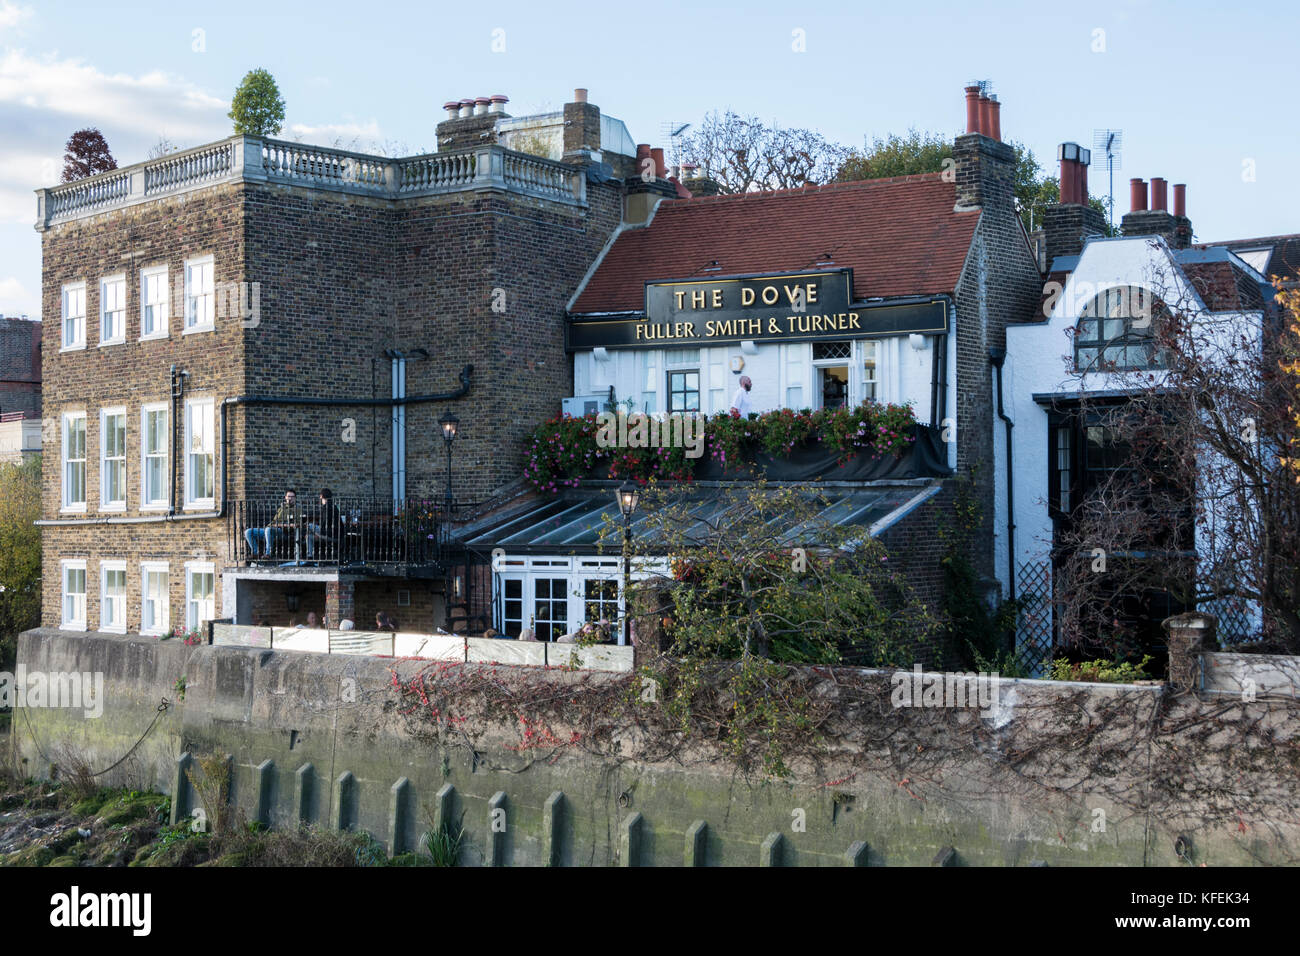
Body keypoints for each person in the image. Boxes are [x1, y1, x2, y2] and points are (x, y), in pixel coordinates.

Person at [245, 488, 304, 559]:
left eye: (292, 497)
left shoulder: (298, 509)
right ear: (285, 497)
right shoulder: (281, 508)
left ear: (295, 498)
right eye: (288, 496)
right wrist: (275, 525)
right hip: (271, 529)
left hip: (283, 532)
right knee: (248, 532)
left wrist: (282, 525)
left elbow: (298, 523)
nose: (290, 498)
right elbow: (274, 521)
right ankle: (255, 552)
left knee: (268, 529)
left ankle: (268, 554)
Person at [306, 488, 342, 560]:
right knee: (309, 536)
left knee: (308, 525)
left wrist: (318, 534)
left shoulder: (326, 507)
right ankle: (309, 555)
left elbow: (324, 524)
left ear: (321, 496)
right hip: (336, 533)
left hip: (329, 533)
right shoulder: (334, 506)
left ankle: (309, 556)